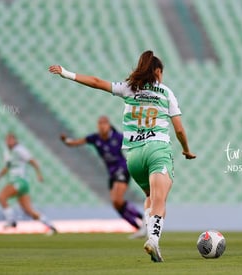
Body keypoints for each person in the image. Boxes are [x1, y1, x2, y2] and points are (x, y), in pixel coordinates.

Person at [49, 50, 196, 262]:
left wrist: (67, 73)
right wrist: (186, 149)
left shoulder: (129, 88)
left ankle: (149, 234)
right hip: (157, 150)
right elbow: (180, 130)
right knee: (160, 199)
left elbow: (97, 82)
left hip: (134, 156)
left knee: (149, 196)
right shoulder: (166, 93)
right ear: (157, 71)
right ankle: (153, 240)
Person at [60, 116, 145, 238]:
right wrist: (66, 141)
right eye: (99, 123)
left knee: (117, 200)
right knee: (116, 204)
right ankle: (138, 228)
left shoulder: (118, 137)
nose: (102, 126)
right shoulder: (95, 138)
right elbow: (75, 143)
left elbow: (134, 144)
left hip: (122, 169)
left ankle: (144, 220)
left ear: (109, 125)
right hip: (111, 173)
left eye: (104, 123)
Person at [0, 133, 57, 235]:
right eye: (7, 139)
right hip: (19, 184)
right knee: (29, 211)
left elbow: (33, 161)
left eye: (11, 139)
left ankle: (11, 221)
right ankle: (51, 226)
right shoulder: (7, 153)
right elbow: (6, 168)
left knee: (1, 197)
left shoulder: (20, 150)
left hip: (19, 181)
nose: (8, 141)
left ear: (15, 140)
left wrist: (39, 174)